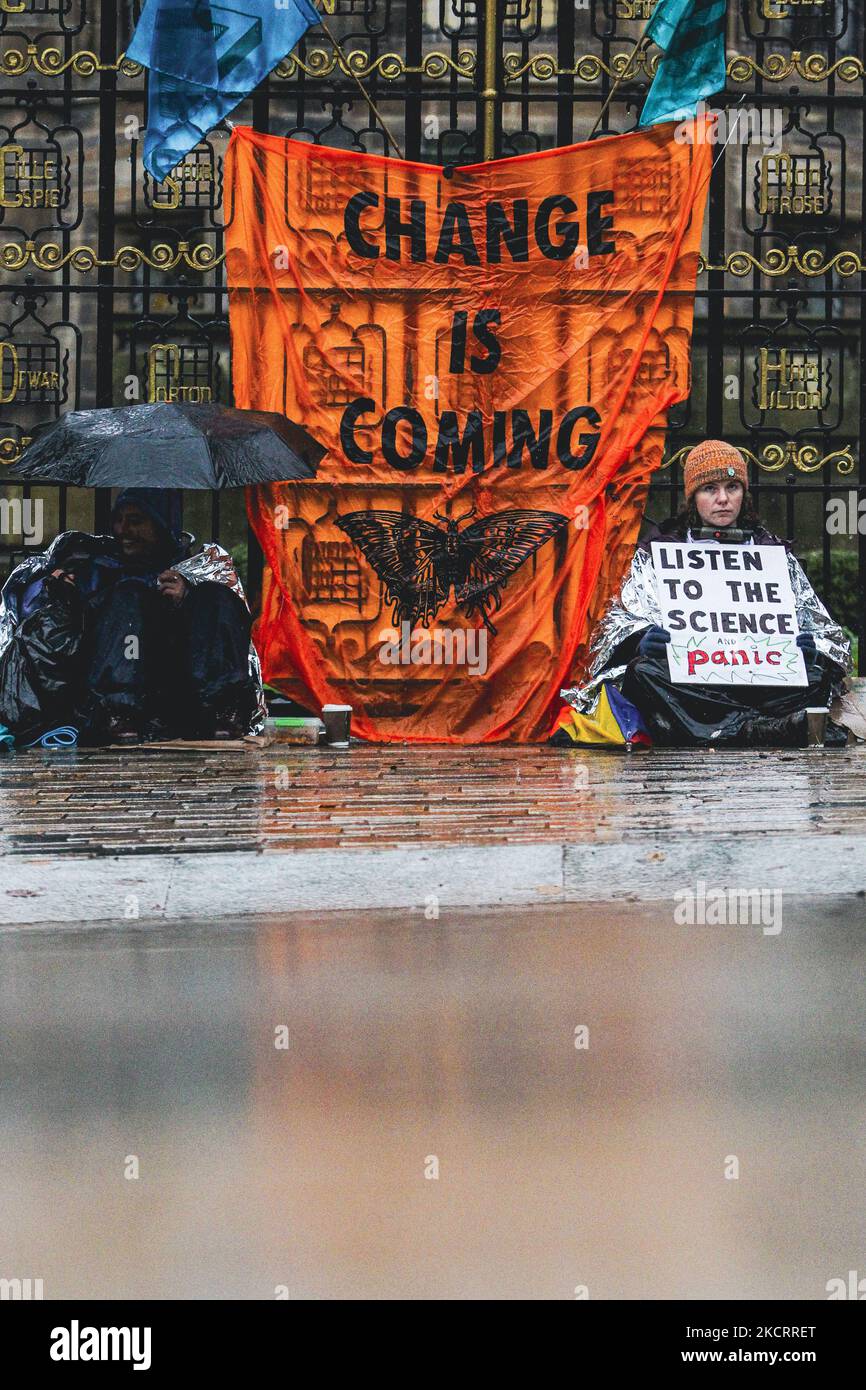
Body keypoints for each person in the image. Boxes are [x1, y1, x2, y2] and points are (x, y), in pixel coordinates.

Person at [555, 440, 852, 748]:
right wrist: (641, 638)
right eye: (710, 489)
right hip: (695, 683)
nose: (723, 499)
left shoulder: (772, 553)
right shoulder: (660, 552)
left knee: (815, 676)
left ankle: (727, 729)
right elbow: (617, 626)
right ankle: (759, 729)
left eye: (733, 487)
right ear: (693, 496)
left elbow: (827, 636)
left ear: (743, 493)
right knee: (643, 673)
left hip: (758, 681)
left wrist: (810, 647)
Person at [0, 490, 264, 744]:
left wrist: (185, 599)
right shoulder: (96, 567)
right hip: (118, 690)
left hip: (181, 687)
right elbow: (52, 625)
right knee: (129, 597)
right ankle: (120, 712)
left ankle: (222, 712)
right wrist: (63, 591)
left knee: (213, 597)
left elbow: (225, 620)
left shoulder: (189, 567)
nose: (122, 530)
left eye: (135, 521)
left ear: (162, 525)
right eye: (118, 520)